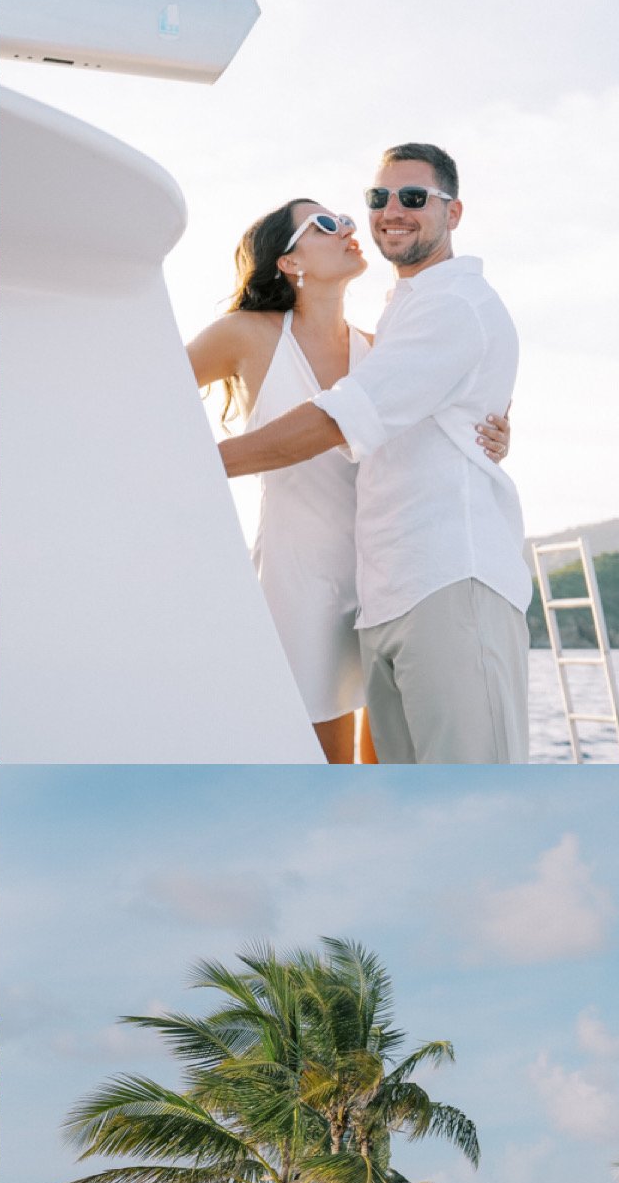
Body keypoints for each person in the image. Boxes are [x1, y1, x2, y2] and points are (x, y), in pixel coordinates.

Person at [216, 147, 530, 764]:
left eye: (414, 198)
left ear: (453, 212)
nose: (390, 212)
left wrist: (197, 464)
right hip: (381, 595)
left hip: (448, 581)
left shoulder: (452, 306)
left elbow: (342, 418)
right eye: (378, 198)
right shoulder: (402, 314)